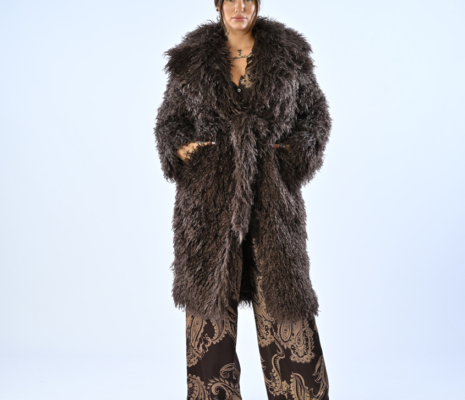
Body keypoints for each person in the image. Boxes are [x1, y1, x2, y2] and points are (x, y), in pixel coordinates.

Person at [154, 1, 332, 398]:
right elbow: (169, 122)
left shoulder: (289, 55)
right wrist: (183, 149)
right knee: (210, 326)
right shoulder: (189, 61)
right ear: (217, 4)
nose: (239, 6)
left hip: (272, 203)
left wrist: (291, 155)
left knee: (287, 317)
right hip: (208, 208)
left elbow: (316, 117)